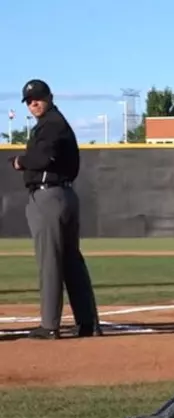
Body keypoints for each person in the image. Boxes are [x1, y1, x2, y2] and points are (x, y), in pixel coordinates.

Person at [9, 79, 100, 339]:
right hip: (64, 194)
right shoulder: (56, 123)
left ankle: (50, 325)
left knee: (51, 262)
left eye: (38, 98)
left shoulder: (51, 124)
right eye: (29, 100)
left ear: (49, 96)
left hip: (49, 196)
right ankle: (87, 323)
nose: (33, 103)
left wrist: (19, 161)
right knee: (71, 261)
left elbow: (43, 157)